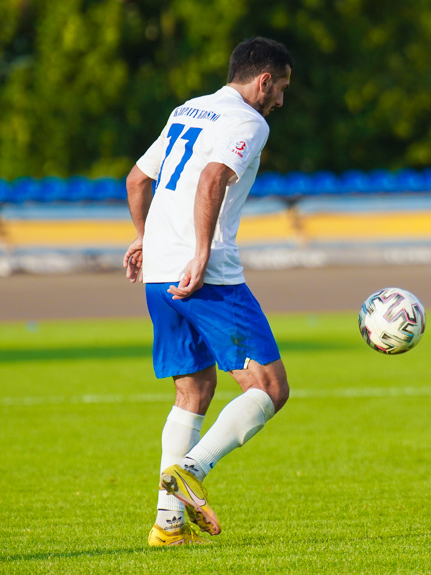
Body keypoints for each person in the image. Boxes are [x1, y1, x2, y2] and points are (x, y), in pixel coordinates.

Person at [122, 37, 294, 546]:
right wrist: (200, 253)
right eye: (281, 88)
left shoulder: (187, 110)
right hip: (207, 274)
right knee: (269, 389)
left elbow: (136, 179)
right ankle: (192, 469)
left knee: (192, 392)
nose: (281, 101)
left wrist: (143, 238)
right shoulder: (249, 120)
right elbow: (214, 177)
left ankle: (167, 525)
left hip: (159, 275)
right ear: (263, 80)